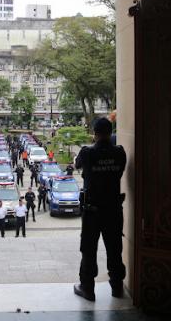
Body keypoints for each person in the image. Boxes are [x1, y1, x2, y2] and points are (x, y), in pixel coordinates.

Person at [74, 117, 127, 302]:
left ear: (95, 134)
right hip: (113, 209)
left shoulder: (87, 153)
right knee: (115, 248)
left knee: (89, 249)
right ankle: (117, 287)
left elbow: (77, 165)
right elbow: (119, 172)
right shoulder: (120, 153)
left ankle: (88, 288)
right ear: (110, 132)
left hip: (92, 211)